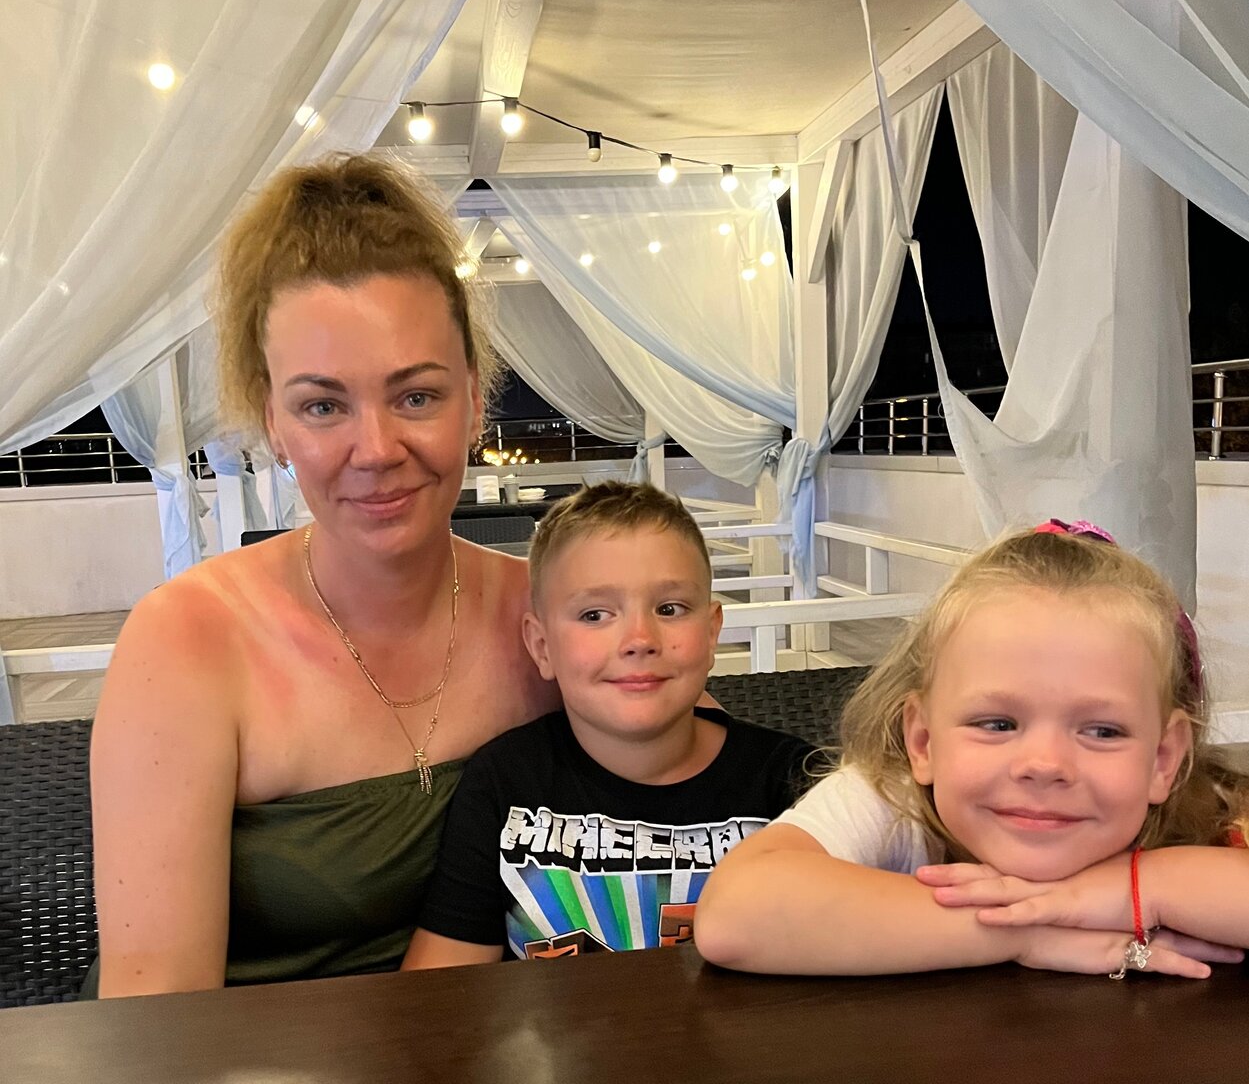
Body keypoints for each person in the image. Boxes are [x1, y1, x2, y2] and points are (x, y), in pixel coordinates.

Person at [88, 154, 560, 996]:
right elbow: (157, 1016)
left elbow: (714, 798)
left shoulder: (551, 613)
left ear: (473, 398)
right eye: (322, 406)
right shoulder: (188, 640)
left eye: (416, 397)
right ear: (272, 420)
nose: (375, 450)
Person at [695, 521, 1249, 979]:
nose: (1045, 765)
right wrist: (1024, 931)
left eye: (1102, 731)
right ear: (923, 742)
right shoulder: (893, 801)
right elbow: (736, 915)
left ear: (1163, 759)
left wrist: (1142, 887)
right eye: (997, 723)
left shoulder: (1203, 811)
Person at [401, 481, 812, 966]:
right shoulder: (503, 782)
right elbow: (440, 981)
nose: (639, 639)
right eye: (595, 614)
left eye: (669, 609)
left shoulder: (793, 782)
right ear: (542, 647)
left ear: (711, 632)